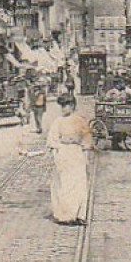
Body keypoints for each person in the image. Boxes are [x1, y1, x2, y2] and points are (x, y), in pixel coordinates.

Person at [46, 95, 92, 225]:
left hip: (76, 153)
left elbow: (86, 139)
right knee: (65, 184)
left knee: (79, 183)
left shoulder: (80, 121)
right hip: (64, 153)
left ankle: (79, 214)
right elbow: (53, 139)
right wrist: (56, 154)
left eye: (65, 105)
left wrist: (86, 154)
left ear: (72, 106)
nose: (63, 108)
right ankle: (66, 215)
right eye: (62, 106)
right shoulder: (58, 122)